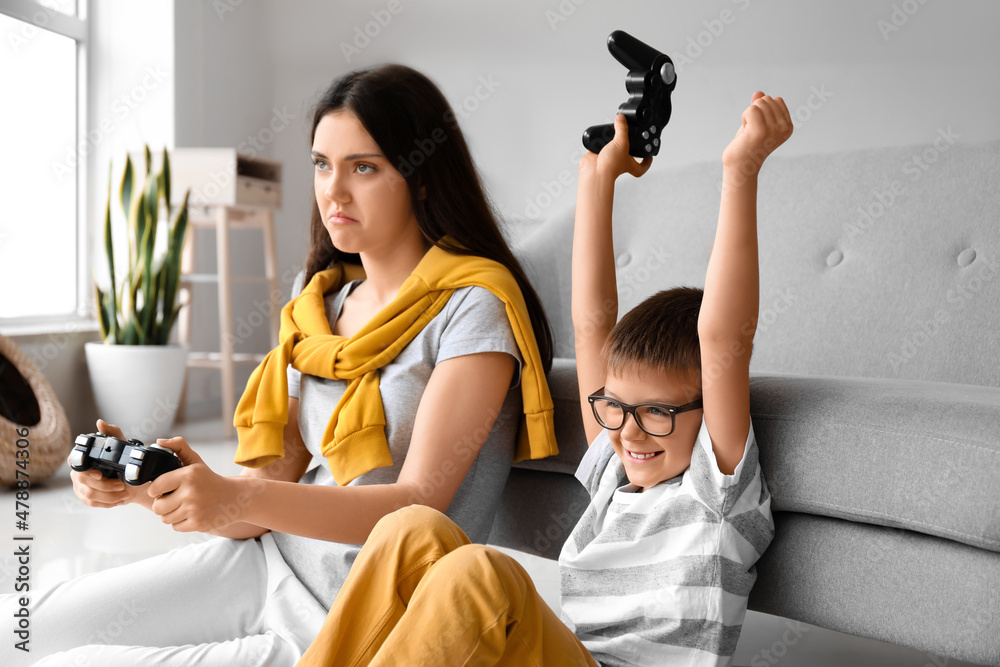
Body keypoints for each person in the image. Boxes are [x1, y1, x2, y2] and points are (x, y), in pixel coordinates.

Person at [2, 64, 557, 666]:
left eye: (363, 167)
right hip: (265, 561)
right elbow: (273, 488)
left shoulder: (474, 308)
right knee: (20, 627)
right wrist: (159, 490)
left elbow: (417, 505)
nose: (333, 192)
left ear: (422, 179)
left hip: (357, 613)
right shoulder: (319, 305)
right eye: (322, 164)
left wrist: (240, 501)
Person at [294, 91, 792, 666]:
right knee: (412, 530)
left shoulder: (715, 489)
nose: (629, 434)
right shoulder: (614, 469)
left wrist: (742, 169)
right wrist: (597, 180)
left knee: (482, 574)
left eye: (658, 413)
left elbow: (725, 335)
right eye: (617, 409)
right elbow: (592, 324)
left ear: (709, 416)